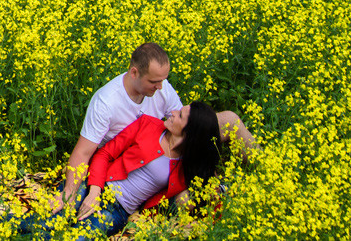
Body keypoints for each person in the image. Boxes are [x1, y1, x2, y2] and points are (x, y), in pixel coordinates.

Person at [52, 42, 256, 218]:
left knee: (230, 120)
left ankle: (263, 171)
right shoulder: (106, 102)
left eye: (163, 80)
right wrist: (68, 195)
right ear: (134, 72)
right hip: (127, 160)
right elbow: (83, 152)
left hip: (164, 147)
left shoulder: (162, 87)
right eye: (154, 81)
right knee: (186, 200)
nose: (160, 87)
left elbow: (186, 123)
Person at [22, 102, 223, 239]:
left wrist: (195, 222)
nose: (172, 112)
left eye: (179, 115)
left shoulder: (189, 166)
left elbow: (211, 199)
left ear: (190, 132)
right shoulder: (148, 124)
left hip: (118, 209)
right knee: (46, 222)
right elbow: (104, 154)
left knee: (79, 237)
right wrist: (94, 191)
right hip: (95, 185)